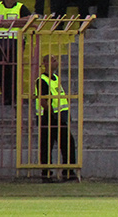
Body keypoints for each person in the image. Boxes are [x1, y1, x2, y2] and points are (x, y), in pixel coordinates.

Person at [36, 54, 77, 183]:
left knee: (67, 143)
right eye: (54, 60)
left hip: (59, 116)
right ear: (46, 64)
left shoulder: (55, 78)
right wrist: (52, 113)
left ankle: (68, 171)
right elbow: (43, 100)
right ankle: (46, 174)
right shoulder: (42, 80)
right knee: (47, 146)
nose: (57, 62)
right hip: (48, 117)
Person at [0, 0, 31, 106]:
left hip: (16, 42)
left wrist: (8, 23)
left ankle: (15, 96)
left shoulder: (20, 7)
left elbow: (28, 19)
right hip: (0, 42)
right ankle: (6, 97)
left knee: (14, 70)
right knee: (2, 71)